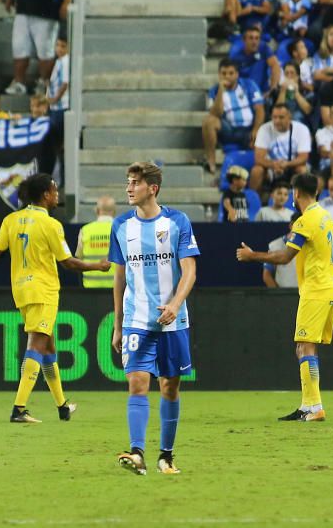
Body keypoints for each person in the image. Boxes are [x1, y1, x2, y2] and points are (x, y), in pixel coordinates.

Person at [0, 173, 110, 423]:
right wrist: (98, 266)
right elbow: (68, 262)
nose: (57, 194)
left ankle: (62, 406)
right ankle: (19, 408)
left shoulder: (12, 220)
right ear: (45, 195)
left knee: (48, 346)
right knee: (36, 346)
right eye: (54, 190)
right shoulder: (51, 224)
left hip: (21, 290)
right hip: (44, 290)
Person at [106, 163, 199, 475]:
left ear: (152, 189)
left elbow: (190, 270)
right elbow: (119, 278)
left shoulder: (177, 222)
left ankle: (166, 456)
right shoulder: (120, 225)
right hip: (137, 318)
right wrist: (118, 325)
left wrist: (175, 303)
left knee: (170, 387)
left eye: (135, 183)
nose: (129, 188)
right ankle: (136, 453)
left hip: (172, 320)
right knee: (137, 382)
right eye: (128, 182)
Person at [237, 173, 333, 423]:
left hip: (317, 291)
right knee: (304, 347)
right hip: (331, 288)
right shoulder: (326, 216)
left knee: (305, 346)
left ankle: (314, 407)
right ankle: (309, 405)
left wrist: (253, 256)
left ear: (295, 193)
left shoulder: (306, 221)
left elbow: (284, 257)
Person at [3, 0, 71, 96]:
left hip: (47, 12)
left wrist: (66, 2)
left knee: (45, 51)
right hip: (23, 10)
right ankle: (19, 82)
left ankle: (44, 82)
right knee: (19, 48)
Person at [202, 58, 265, 174]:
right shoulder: (214, 91)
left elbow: (260, 109)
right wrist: (221, 90)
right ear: (219, 74)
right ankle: (211, 162)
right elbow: (216, 113)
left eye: (231, 73)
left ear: (237, 74)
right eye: (223, 73)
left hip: (248, 129)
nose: (227, 77)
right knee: (209, 121)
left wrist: (256, 129)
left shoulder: (249, 85)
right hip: (229, 129)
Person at [249, 103, 310, 191]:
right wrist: (273, 164)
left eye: (281, 117)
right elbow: (258, 158)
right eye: (274, 117)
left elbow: (303, 157)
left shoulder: (302, 129)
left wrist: (287, 164)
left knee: (303, 170)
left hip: (292, 166)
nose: (277, 121)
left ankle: (302, 202)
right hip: (271, 168)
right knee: (257, 170)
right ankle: (254, 199)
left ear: (289, 117)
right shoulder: (264, 129)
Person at [74, 195, 116, 289]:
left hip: (90, 288)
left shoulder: (85, 230)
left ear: (96, 210)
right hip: (116, 290)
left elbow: (78, 259)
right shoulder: (121, 230)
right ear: (114, 212)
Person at [229, 25, 280, 95]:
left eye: (257, 38)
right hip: (245, 96)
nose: (254, 42)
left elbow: (275, 65)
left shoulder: (263, 48)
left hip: (263, 94)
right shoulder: (236, 57)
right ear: (244, 40)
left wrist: (273, 88)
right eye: (251, 38)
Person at [263, 216, 299, 288]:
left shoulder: (310, 246)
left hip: (306, 296)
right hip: (284, 294)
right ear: (291, 225)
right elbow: (267, 275)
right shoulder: (274, 245)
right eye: (300, 225)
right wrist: (278, 296)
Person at [47, 35, 69, 113]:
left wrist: (55, 99)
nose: (59, 49)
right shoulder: (58, 61)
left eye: (63, 46)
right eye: (57, 45)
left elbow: (65, 83)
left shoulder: (65, 61)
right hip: (55, 106)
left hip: (61, 105)